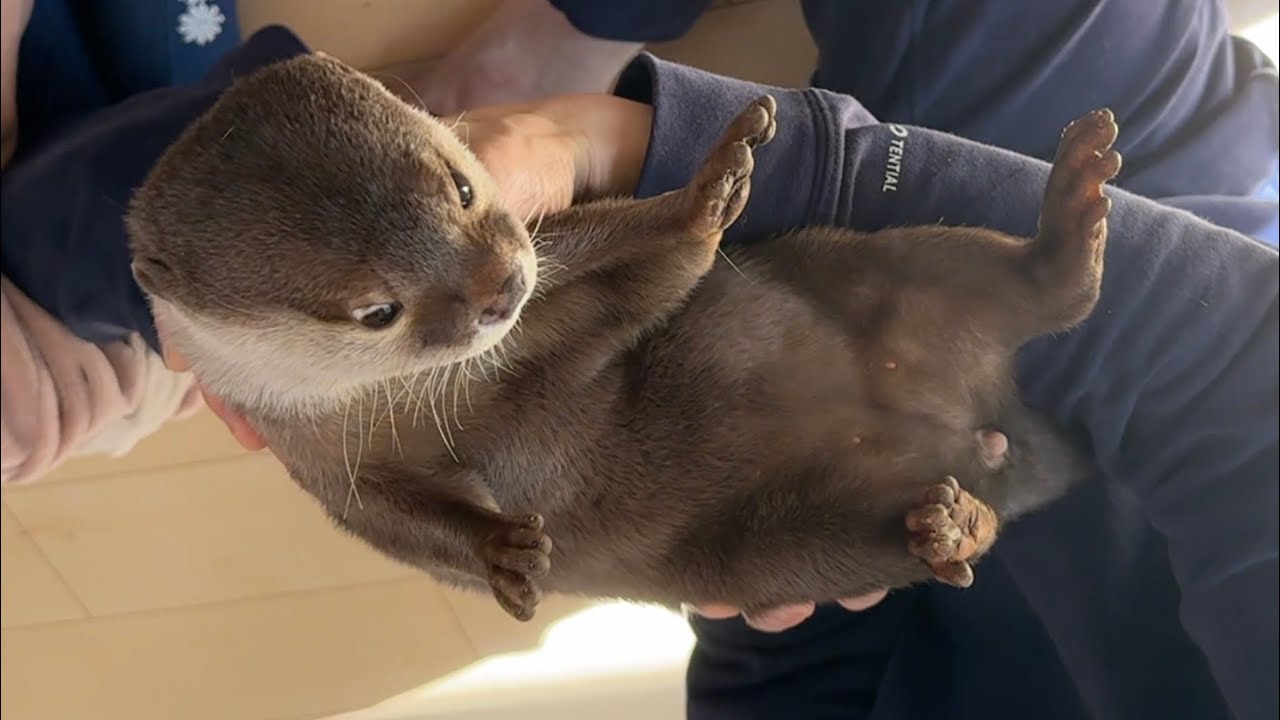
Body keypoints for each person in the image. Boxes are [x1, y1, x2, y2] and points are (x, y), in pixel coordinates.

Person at [1, 6, 1275, 720]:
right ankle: (574, 32)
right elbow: (1230, 359)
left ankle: (84, 286)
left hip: (834, 453)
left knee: (149, 234)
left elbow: (767, 642)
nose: (495, 287)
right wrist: (622, 142)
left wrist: (747, 534)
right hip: (1165, 245)